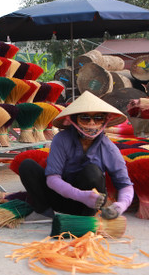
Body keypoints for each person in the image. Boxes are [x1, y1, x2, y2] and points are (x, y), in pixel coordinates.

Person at [19, 91, 133, 220]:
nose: (91, 123)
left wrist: (121, 205)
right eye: (85, 118)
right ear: (73, 120)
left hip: (90, 203)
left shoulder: (109, 148)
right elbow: (52, 179)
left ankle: (85, 219)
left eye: (98, 118)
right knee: (27, 166)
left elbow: (125, 184)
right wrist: (81, 195)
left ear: (105, 121)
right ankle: (44, 212)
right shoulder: (61, 139)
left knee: (92, 171)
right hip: (60, 197)